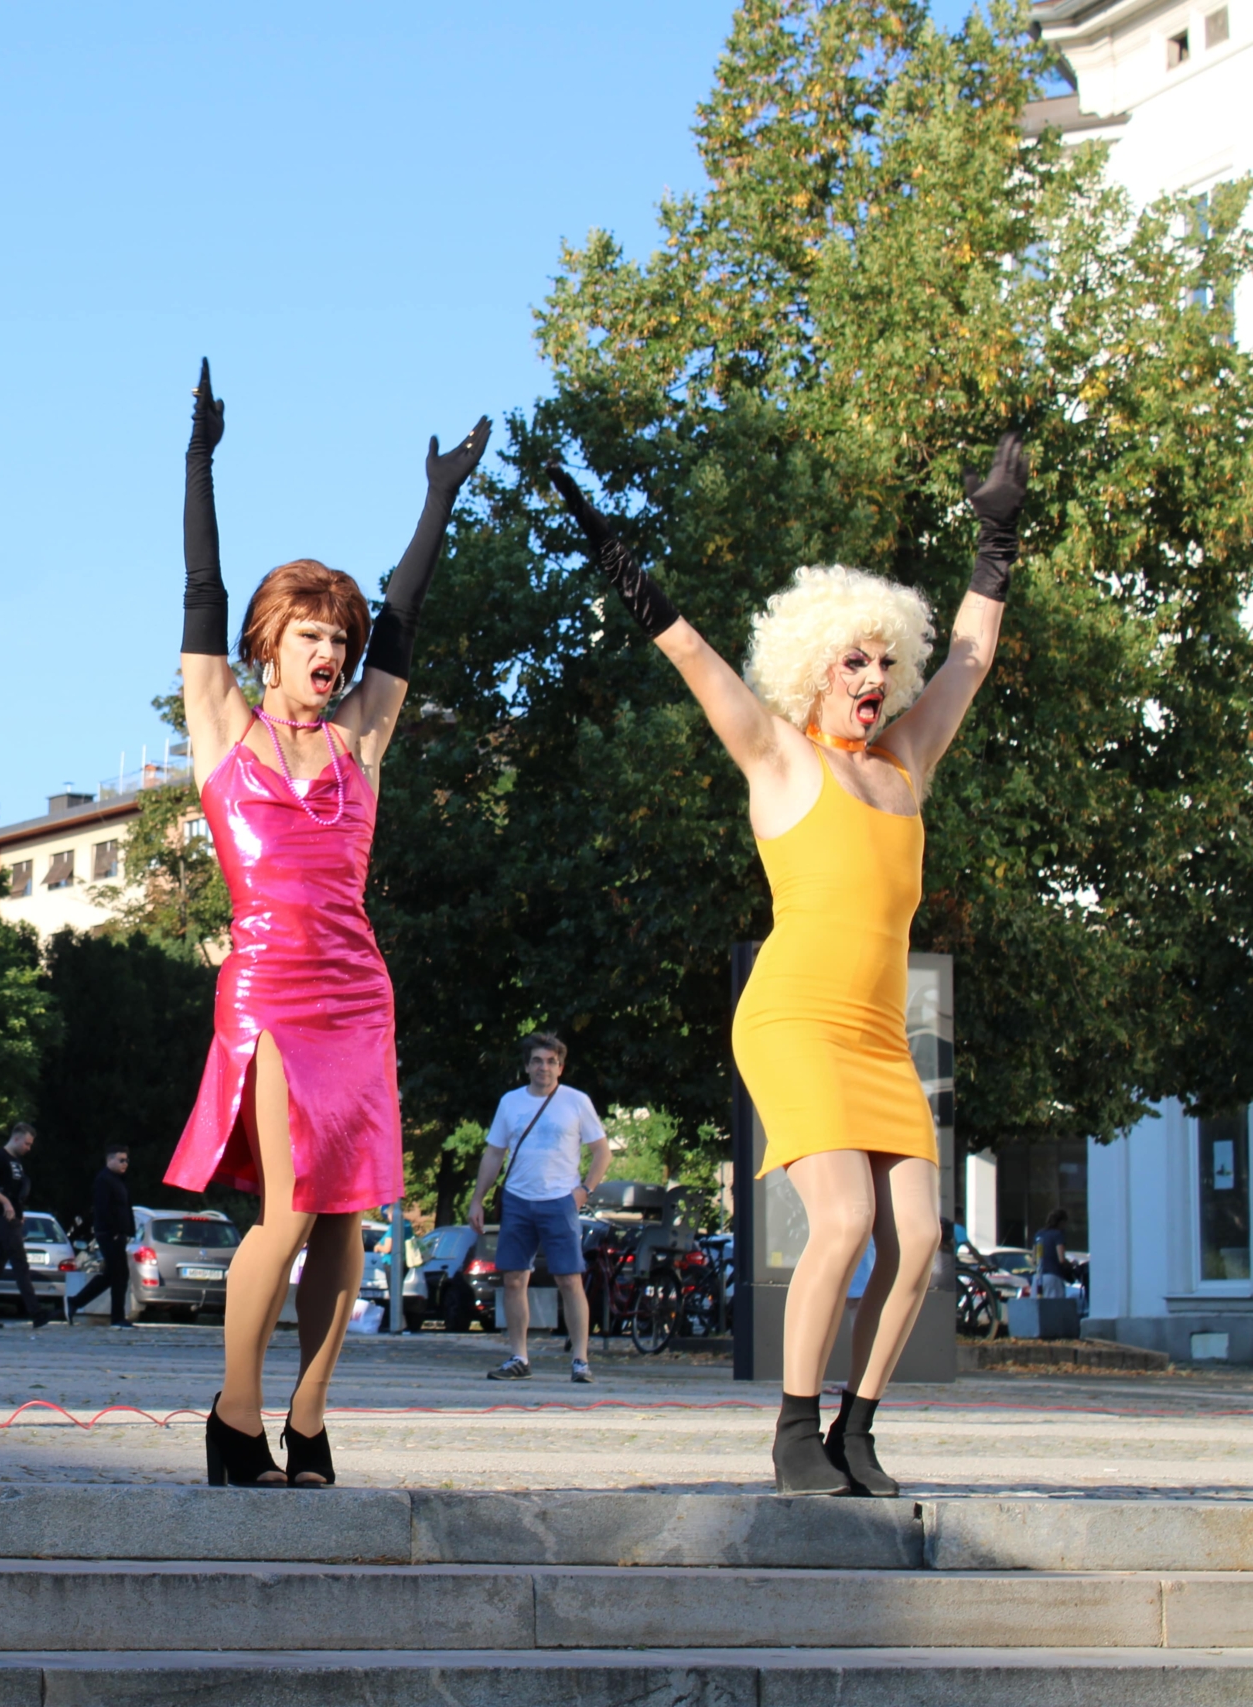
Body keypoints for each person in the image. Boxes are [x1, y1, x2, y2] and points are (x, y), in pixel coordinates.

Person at [546, 432, 1029, 1497]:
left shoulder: (904, 761)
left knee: (917, 1246)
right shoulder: (780, 757)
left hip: (872, 1031)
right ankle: (792, 1432)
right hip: (793, 1020)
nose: (875, 677)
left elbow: (971, 660)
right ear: (812, 667)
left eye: (883, 660)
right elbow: (691, 660)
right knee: (846, 1219)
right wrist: (618, 561)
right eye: (852, 660)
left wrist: (994, 540)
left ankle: (856, 1431)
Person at [165, 360, 489, 1488]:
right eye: (311, 633)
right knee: (289, 1205)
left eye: (339, 642)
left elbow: (404, 620)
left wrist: (438, 500)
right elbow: (199, 587)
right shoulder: (220, 725)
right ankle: (232, 1416)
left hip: (356, 992)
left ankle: (307, 1420)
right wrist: (200, 462)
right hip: (267, 988)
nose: (331, 653)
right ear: (269, 642)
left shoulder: (361, 742)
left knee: (348, 1219)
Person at [470, 1033, 609, 1383]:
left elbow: (602, 1152)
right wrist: (477, 1199)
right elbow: (493, 1154)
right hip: (518, 1199)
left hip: (560, 1200)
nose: (543, 1067)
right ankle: (519, 1357)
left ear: (560, 1067)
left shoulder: (576, 1102)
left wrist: (584, 1191)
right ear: (526, 1066)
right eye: (537, 1061)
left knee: (569, 1279)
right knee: (514, 1279)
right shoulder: (511, 1103)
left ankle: (580, 1360)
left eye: (550, 1061)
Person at [0, 1123, 45, 1328]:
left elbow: (17, 1192)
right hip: (1, 1218)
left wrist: (18, 1213)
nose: (28, 1148)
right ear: (16, 1138)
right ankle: (37, 1313)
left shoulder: (17, 1162)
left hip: (12, 1219)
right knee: (20, 1264)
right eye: (27, 1143)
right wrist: (4, 1202)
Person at [61, 1147, 136, 1329]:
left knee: (112, 1275)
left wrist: (128, 1231)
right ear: (109, 1160)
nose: (125, 1163)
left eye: (126, 1160)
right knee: (119, 1274)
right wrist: (115, 1231)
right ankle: (117, 1318)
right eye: (121, 1160)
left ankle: (76, 1301)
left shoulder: (118, 1180)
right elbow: (103, 1209)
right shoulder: (104, 1180)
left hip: (118, 1234)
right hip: (109, 1234)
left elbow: (125, 1208)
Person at [1033, 1209, 1072, 1300]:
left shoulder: (1039, 1234)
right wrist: (1071, 1265)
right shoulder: (1058, 1235)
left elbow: (1034, 1259)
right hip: (1053, 1278)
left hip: (1038, 1278)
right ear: (1061, 1222)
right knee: (1054, 1309)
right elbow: (1061, 1259)